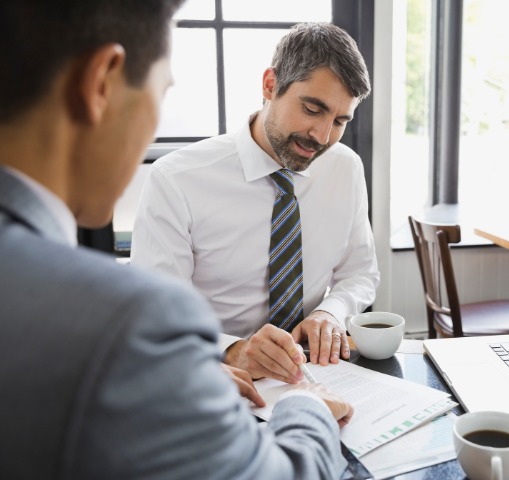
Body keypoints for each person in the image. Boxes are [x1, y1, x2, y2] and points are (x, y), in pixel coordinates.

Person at [0, 1, 352, 478]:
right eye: (161, 92)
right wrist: (305, 406)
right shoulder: (129, 320)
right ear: (101, 82)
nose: (323, 133)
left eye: (339, 120)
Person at [131, 22, 380, 385]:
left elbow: (360, 273)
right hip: (213, 375)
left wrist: (331, 312)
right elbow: (157, 314)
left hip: (315, 374)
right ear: (270, 85)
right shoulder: (175, 180)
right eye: (312, 109)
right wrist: (233, 350)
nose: (323, 137)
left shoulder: (345, 167)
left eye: (340, 121)